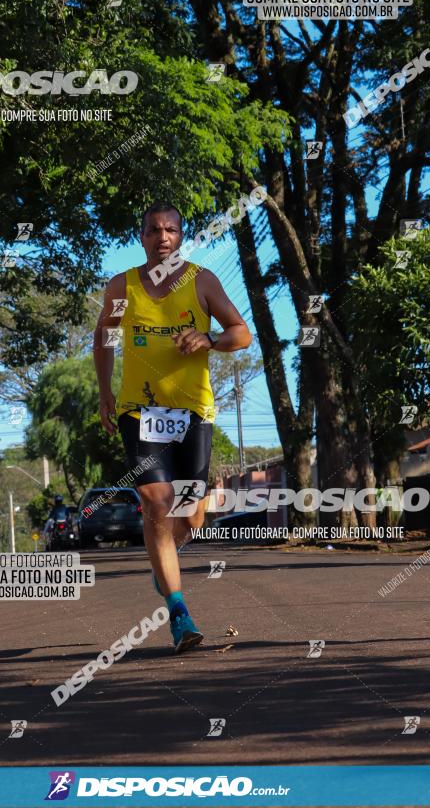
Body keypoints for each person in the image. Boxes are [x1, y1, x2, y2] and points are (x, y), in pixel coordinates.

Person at [93, 202, 252, 653]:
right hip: (139, 410)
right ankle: (179, 613)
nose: (162, 237)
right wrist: (105, 390)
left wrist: (210, 339)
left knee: (191, 515)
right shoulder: (121, 286)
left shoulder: (201, 280)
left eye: (170, 230)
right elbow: (104, 337)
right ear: (141, 237)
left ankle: (161, 564)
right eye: (153, 230)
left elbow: (242, 332)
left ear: (181, 236)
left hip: (193, 412)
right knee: (156, 503)